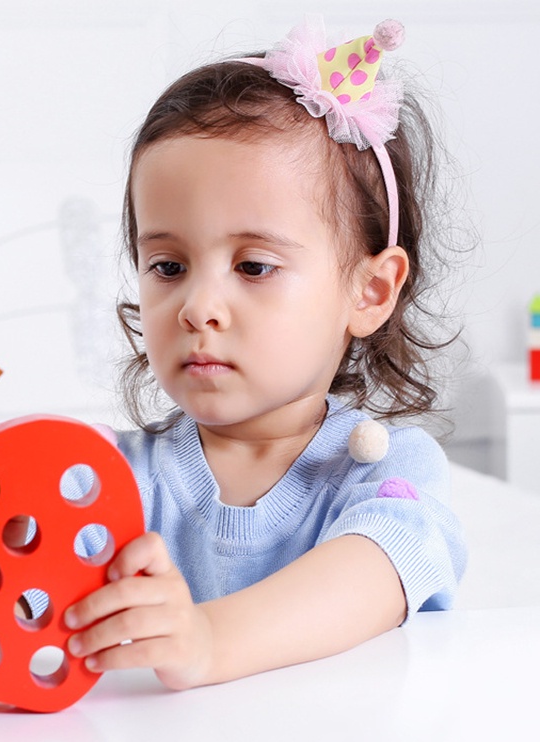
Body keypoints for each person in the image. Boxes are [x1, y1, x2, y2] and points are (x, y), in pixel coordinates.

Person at [62, 16, 468, 690]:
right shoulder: (108, 479)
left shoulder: (387, 469)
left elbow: (379, 566)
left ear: (369, 291)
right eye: (167, 266)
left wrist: (208, 641)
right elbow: (0, 610)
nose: (197, 306)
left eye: (252, 266)